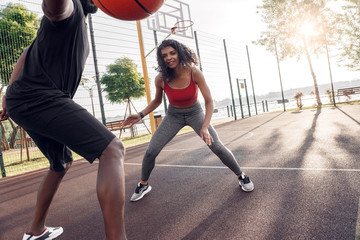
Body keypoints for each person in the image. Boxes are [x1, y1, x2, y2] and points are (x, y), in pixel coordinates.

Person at [0, 1, 127, 239]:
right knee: (113, 149)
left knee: (61, 163)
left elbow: (27, 51)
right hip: (39, 97)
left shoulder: (77, 24)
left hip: (25, 98)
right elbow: (55, 8)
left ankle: (36, 230)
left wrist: (8, 92)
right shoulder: (72, 10)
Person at [123, 39, 254, 202]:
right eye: (164, 55)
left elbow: (209, 102)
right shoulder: (161, 78)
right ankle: (143, 184)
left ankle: (241, 175)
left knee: (217, 147)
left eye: (172, 53)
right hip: (173, 115)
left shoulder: (194, 72)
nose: (169, 57)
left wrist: (205, 127)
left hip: (195, 113)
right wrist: (140, 114)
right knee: (150, 151)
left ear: (180, 53)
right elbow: (157, 101)